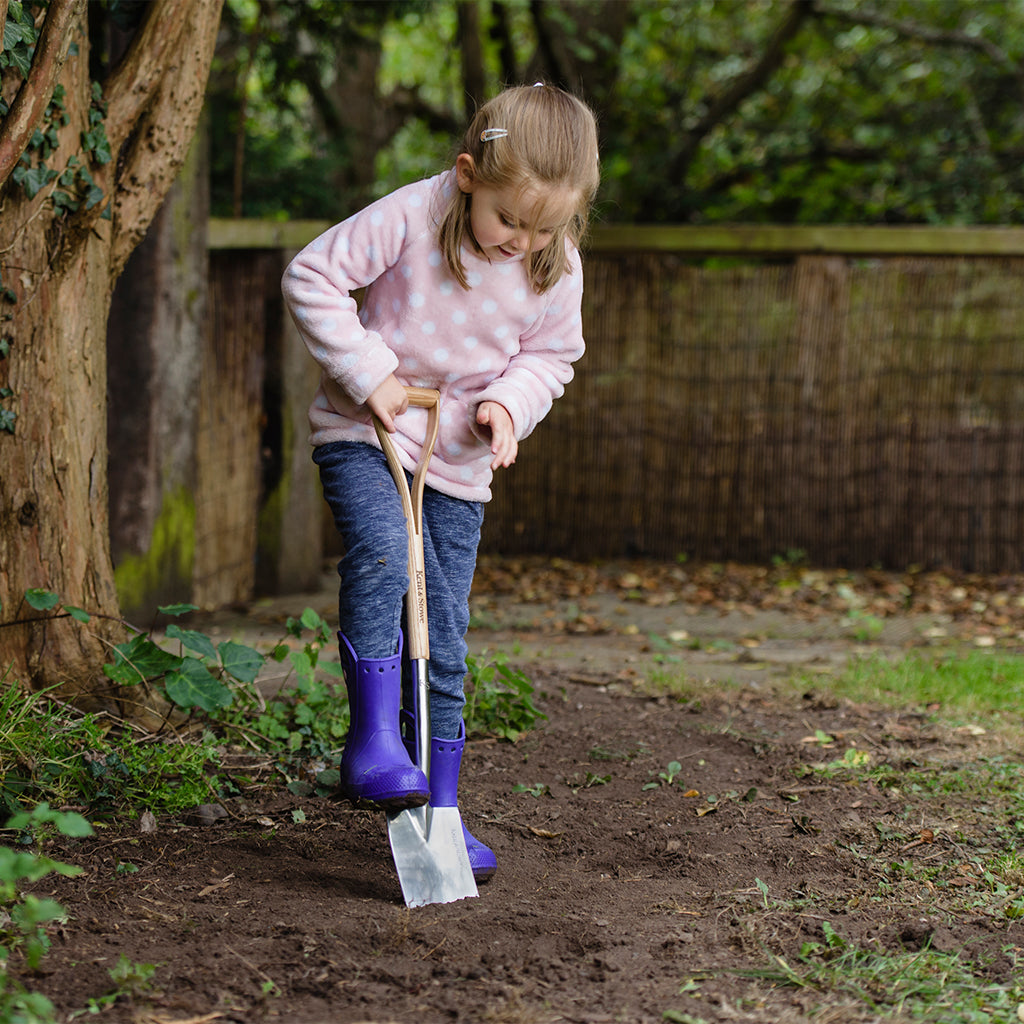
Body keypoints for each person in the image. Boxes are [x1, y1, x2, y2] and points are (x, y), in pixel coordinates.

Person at [281, 83, 600, 883]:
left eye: (546, 227)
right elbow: (312, 276)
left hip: (456, 466)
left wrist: (508, 405)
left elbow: (551, 357)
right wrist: (370, 373)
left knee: (446, 632)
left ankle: (442, 810)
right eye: (509, 219)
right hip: (369, 435)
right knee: (386, 551)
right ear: (467, 175)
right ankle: (372, 742)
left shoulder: (554, 266)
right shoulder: (412, 217)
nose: (523, 242)